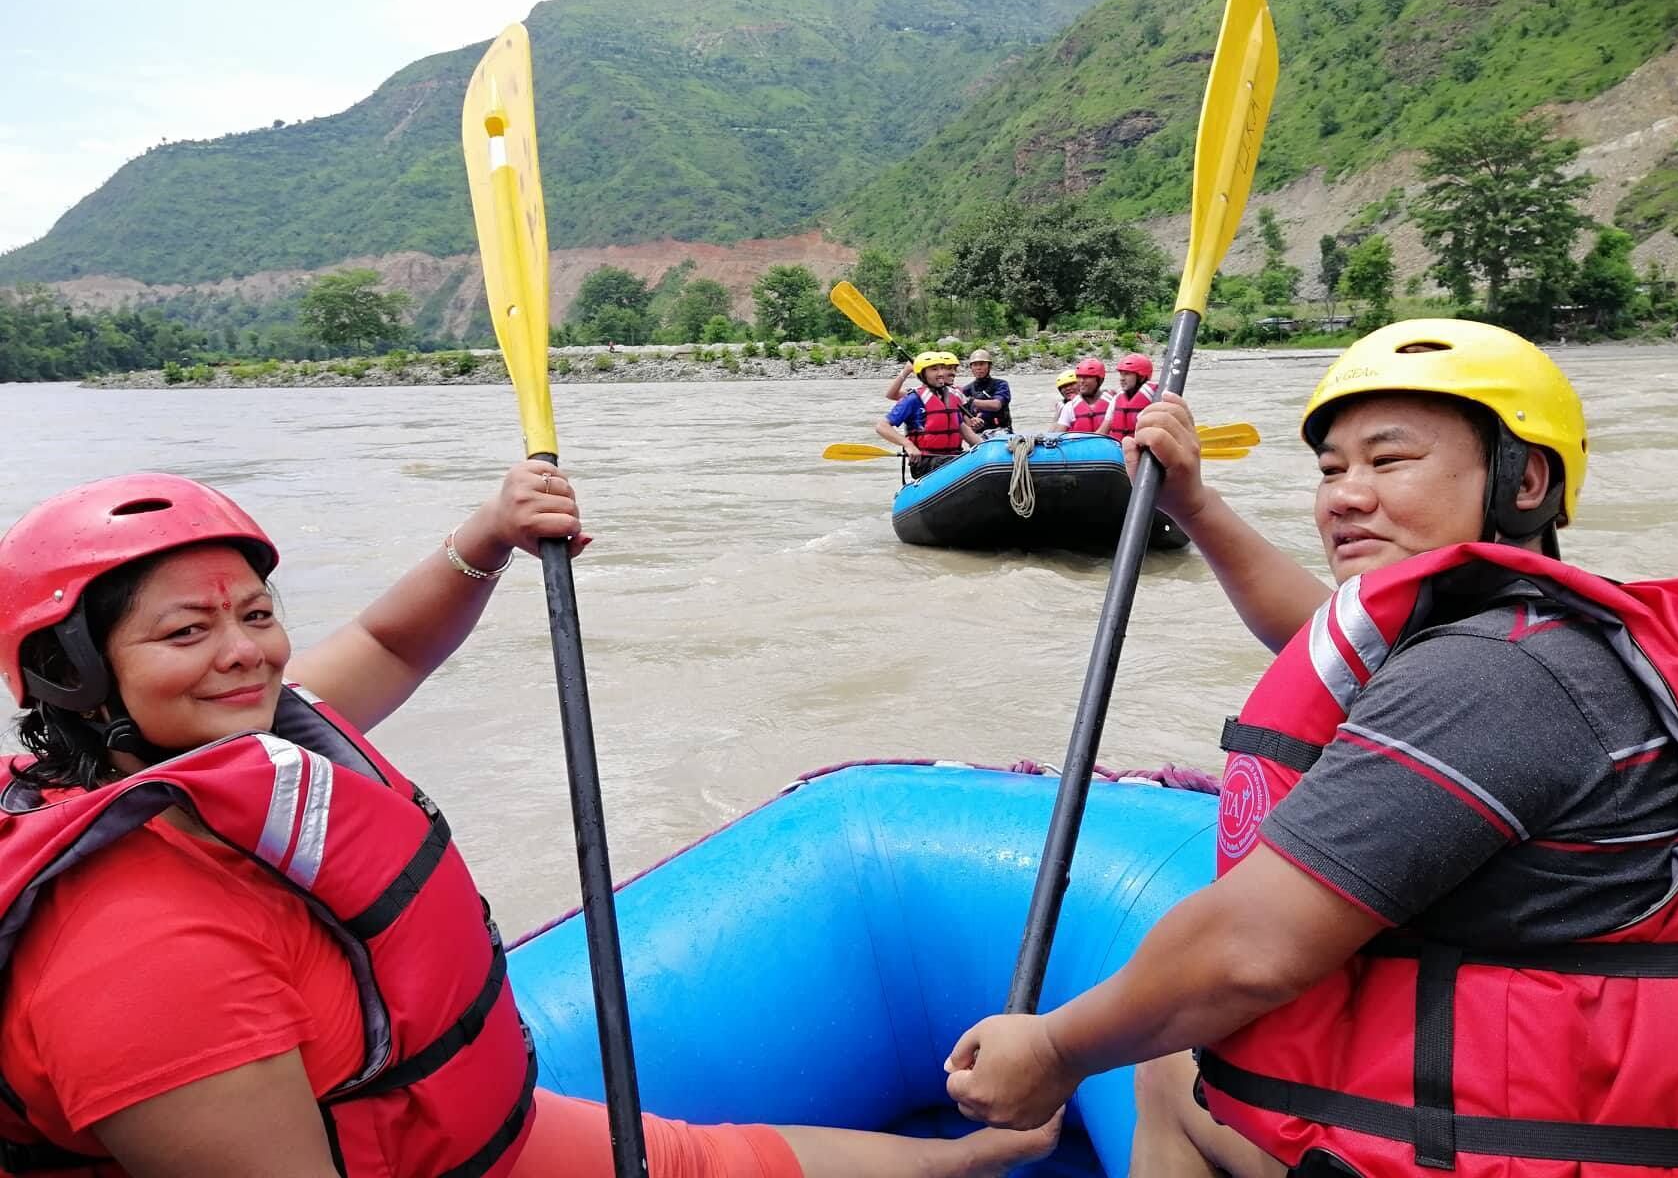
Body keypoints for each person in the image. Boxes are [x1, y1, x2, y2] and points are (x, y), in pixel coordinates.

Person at [0, 469, 1062, 1178]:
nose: (246, 653)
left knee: (747, 1157)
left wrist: (491, 536)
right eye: (189, 630)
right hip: (432, 1158)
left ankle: (981, 1153)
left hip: (479, 1128)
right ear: (71, 676)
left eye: (258, 614)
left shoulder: (243, 749)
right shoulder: (136, 957)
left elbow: (391, 640)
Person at [942, 319, 1678, 1178]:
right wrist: (1192, 505)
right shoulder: (1537, 632)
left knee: (1165, 1065)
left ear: (1526, 479)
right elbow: (1321, 640)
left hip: (1541, 1148)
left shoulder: (1493, 678)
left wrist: (1053, 1051)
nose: (1344, 496)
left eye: (1389, 462)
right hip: (1588, 1108)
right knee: (1172, 1070)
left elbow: (1249, 953)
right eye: (1331, 470)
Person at [876, 351, 983, 478]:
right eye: (934, 369)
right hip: (926, 462)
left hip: (954, 456)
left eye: (942, 368)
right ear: (922, 374)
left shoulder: (952, 396)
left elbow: (963, 430)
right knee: (958, 464)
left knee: (974, 461)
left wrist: (985, 447)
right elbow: (882, 426)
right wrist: (908, 445)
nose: (941, 373)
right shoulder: (913, 399)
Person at [1102, 352, 1158, 479]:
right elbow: (1103, 430)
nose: (1122, 378)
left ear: (1142, 377)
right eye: (1121, 374)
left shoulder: (1155, 397)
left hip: (1145, 457)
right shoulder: (1116, 398)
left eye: (1127, 374)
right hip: (1119, 457)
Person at [1048, 358, 1112, 435]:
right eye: (1079, 377)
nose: (1082, 381)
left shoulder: (1112, 401)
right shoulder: (1068, 407)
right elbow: (1055, 436)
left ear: (1100, 381)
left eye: (1087, 377)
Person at [959, 348, 1013, 434]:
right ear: (971, 368)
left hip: (1001, 431)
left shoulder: (1001, 385)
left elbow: (996, 405)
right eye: (975, 365)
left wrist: (970, 400)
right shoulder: (966, 390)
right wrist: (972, 424)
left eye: (982, 364)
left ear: (989, 366)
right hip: (979, 434)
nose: (978, 368)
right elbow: (963, 414)